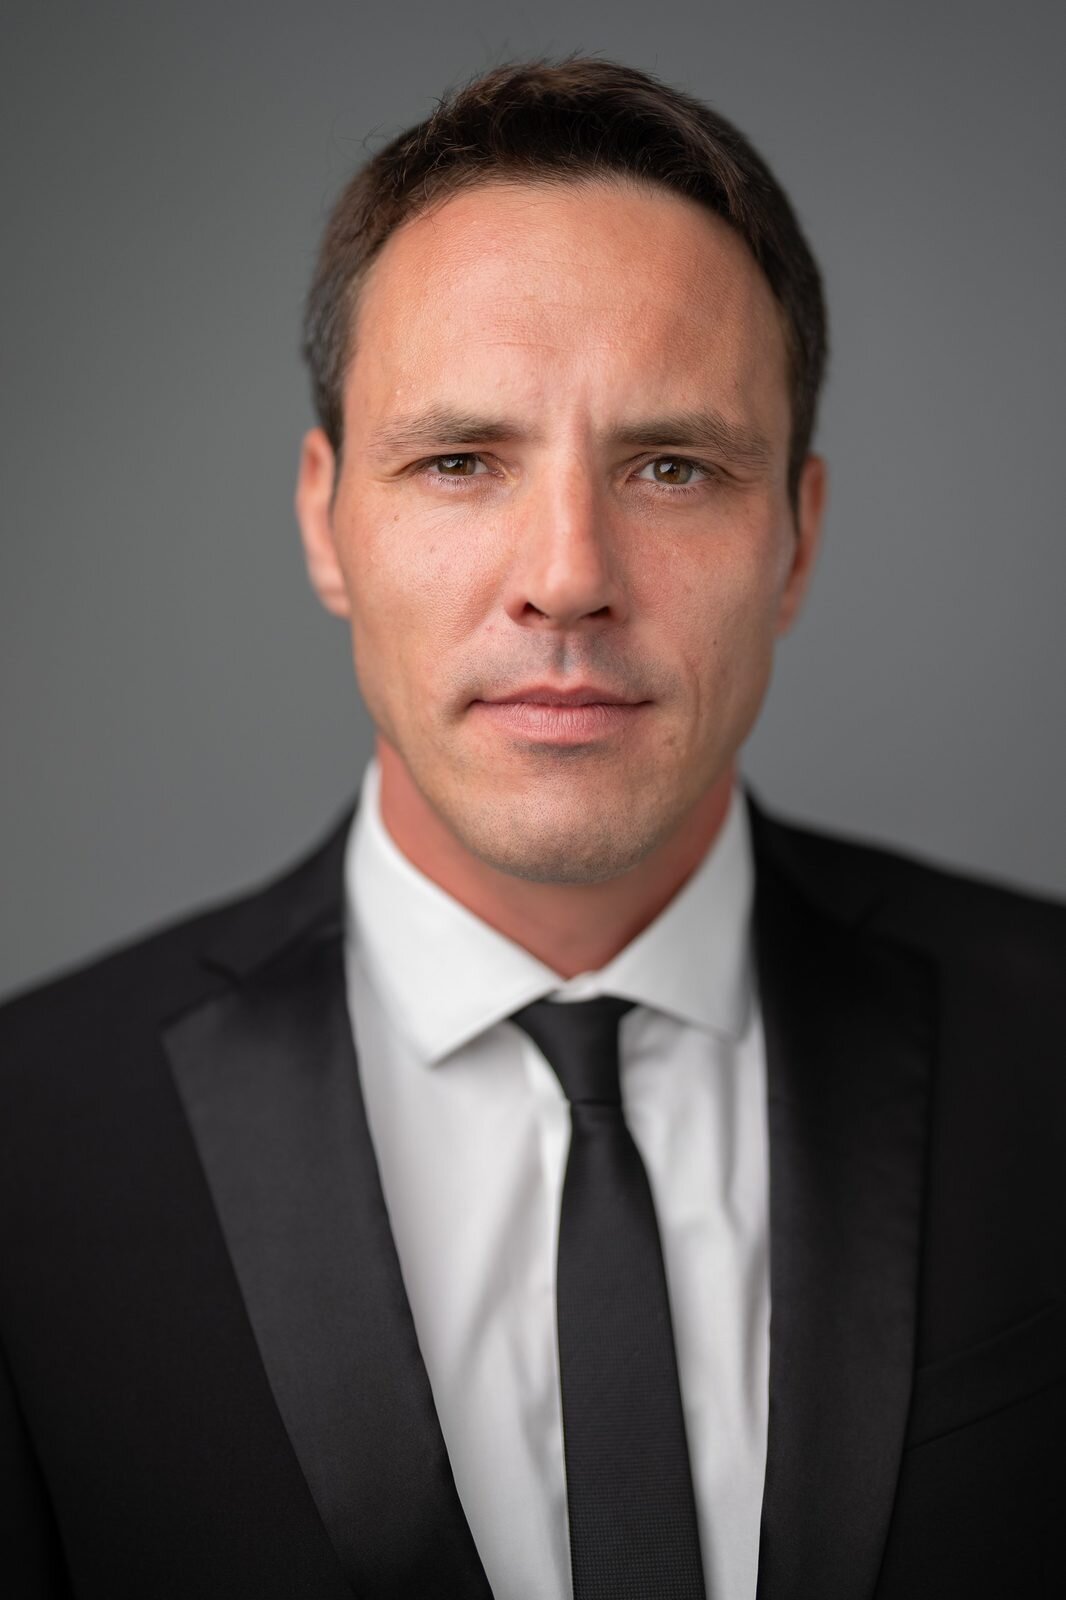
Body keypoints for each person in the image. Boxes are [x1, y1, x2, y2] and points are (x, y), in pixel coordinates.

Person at [1, 56, 1062, 1600]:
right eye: (458, 461)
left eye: (672, 466)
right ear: (323, 519)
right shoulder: (31, 1147)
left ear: (795, 539)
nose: (567, 575)